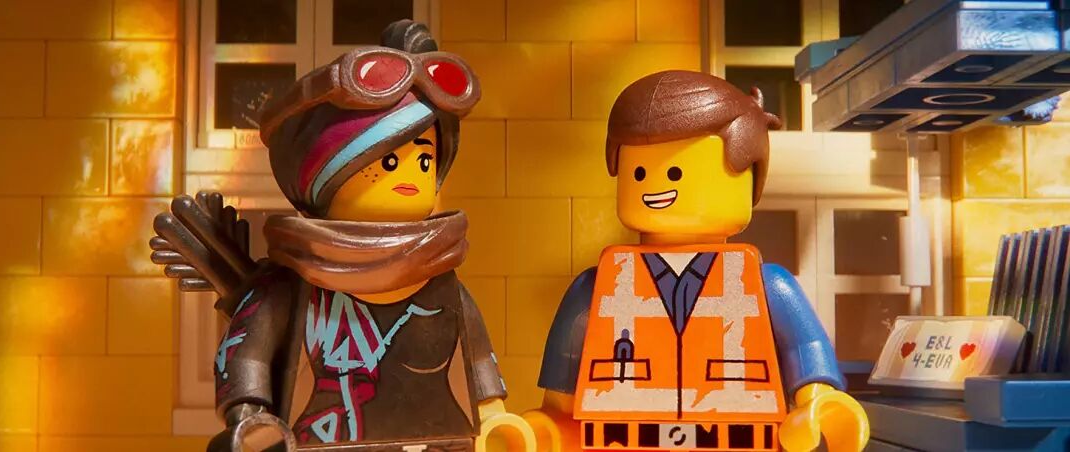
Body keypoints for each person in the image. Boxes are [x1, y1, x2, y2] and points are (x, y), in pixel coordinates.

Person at [152, 20, 533, 452]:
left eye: (425, 160)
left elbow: (476, 359)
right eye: (388, 162)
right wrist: (250, 416)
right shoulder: (292, 283)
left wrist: (493, 415)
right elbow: (248, 354)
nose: (412, 174)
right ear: (326, 175)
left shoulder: (440, 279)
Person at [523, 70, 869, 452]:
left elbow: (803, 347)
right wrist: (549, 426)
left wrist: (816, 402)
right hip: (624, 437)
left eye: (676, 171)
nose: (657, 186)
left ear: (747, 175)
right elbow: (561, 393)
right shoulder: (596, 288)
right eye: (639, 172)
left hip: (736, 437)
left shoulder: (766, 285)